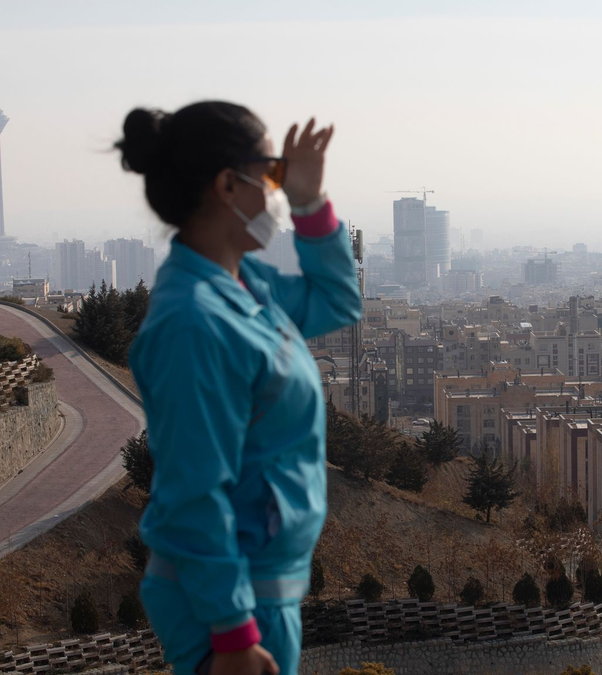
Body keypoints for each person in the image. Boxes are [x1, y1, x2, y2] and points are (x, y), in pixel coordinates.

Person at [116, 102, 361, 675]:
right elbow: (192, 490)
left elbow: (338, 302)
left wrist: (307, 202)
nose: (274, 194)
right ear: (228, 184)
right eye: (270, 176)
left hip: (262, 592)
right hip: (228, 606)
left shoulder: (245, 286)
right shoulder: (193, 322)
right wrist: (232, 635)